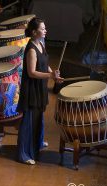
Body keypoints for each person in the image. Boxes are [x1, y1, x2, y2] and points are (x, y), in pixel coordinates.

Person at [17, 18, 63, 165]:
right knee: (29, 120)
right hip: (32, 88)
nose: (45, 30)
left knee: (38, 118)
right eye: (43, 29)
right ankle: (24, 154)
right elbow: (31, 72)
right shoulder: (31, 49)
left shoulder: (41, 44)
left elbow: (45, 64)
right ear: (34, 32)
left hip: (40, 87)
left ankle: (37, 142)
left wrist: (53, 74)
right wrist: (50, 75)